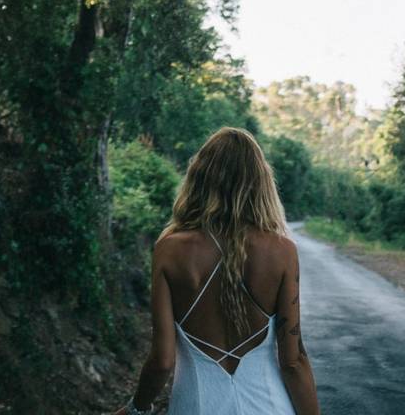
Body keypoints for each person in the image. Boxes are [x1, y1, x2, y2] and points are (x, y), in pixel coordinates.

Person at [114, 127, 320, 415]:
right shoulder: (282, 250)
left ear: (199, 177)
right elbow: (293, 360)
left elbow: (162, 361)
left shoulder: (169, 249)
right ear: (260, 182)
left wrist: (136, 409)